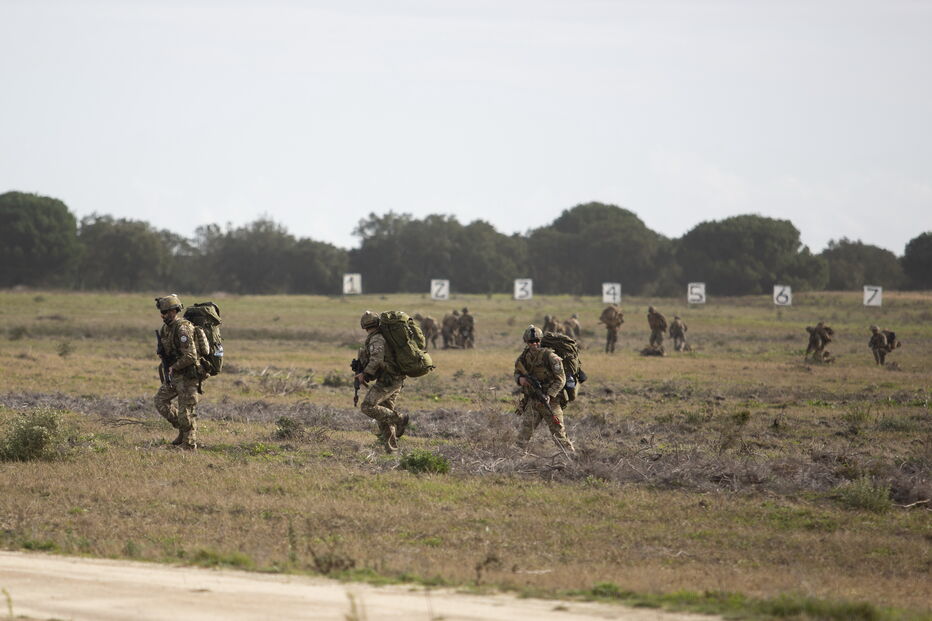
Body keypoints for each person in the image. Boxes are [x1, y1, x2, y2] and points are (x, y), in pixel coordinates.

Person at [153, 294, 204, 450]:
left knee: (186, 411)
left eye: (166, 312)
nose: (163, 316)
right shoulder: (166, 329)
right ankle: (183, 430)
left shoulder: (183, 328)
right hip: (175, 376)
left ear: (175, 311)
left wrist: (174, 366)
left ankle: (189, 444)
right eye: (162, 313)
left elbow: (191, 355)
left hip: (188, 375)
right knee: (160, 401)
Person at [513, 325, 574, 453]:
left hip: (550, 402)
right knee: (523, 435)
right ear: (526, 342)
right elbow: (517, 372)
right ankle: (514, 460)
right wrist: (520, 380)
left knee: (559, 434)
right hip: (533, 401)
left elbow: (560, 379)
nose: (534, 344)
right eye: (531, 342)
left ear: (540, 341)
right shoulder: (523, 358)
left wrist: (549, 394)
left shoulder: (551, 357)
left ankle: (571, 459)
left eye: (537, 341)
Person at [354, 311, 409, 453]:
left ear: (364, 326)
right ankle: (391, 449)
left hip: (388, 380)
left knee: (368, 406)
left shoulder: (376, 339)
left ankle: (400, 419)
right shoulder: (381, 337)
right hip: (394, 378)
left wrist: (365, 374)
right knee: (384, 415)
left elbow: (376, 359)